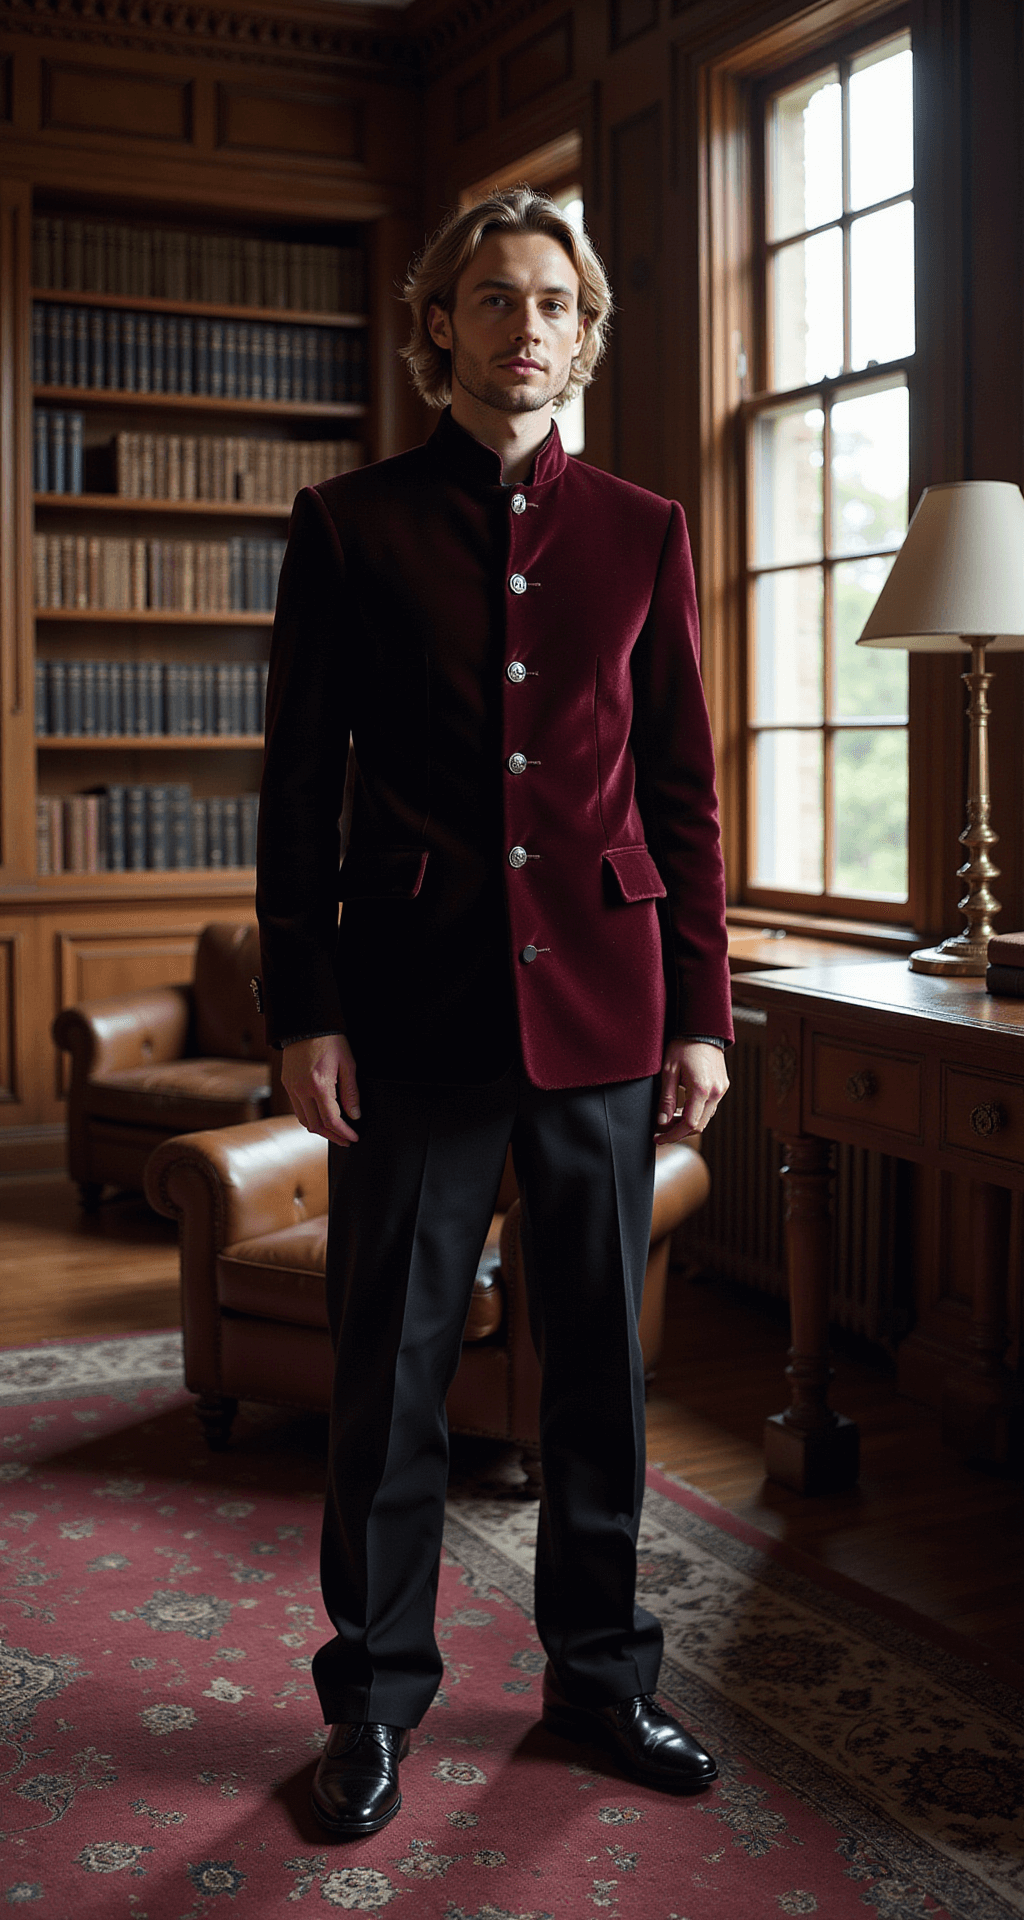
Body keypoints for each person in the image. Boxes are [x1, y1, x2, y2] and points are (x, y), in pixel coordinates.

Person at [254, 186, 732, 1840]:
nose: (526, 325)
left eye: (553, 302)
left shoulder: (646, 530)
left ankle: (602, 1680)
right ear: (440, 324)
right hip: (411, 1012)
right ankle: (374, 1701)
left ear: (581, 332)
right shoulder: (347, 524)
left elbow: (682, 795)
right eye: (494, 297)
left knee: (597, 1369)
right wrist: (305, 1007)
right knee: (388, 1376)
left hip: (607, 1010)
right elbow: (296, 788)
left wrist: (701, 1013)